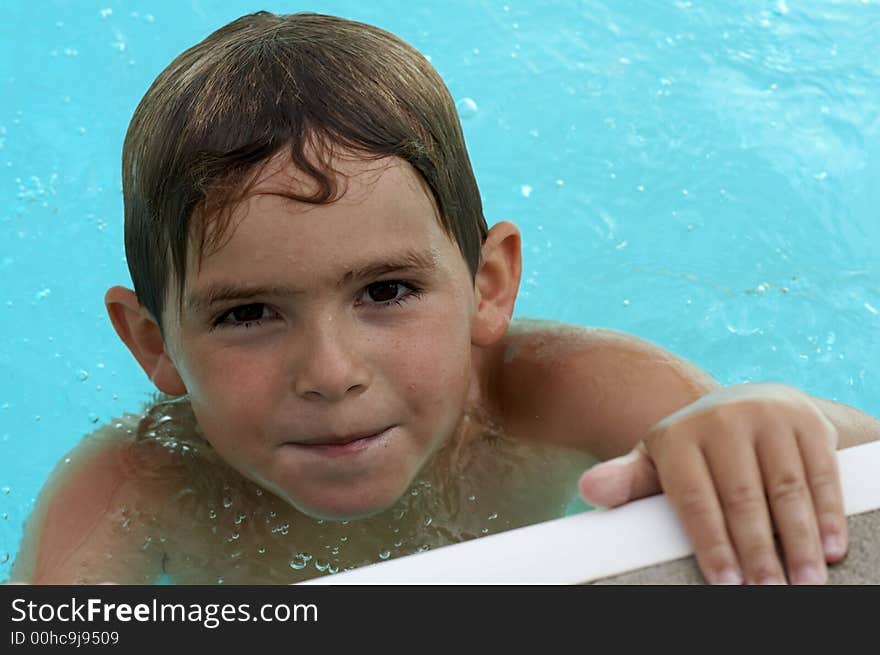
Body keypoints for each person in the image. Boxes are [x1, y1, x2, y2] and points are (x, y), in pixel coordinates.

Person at [11, 11, 879, 585]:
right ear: (153, 341)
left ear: (487, 285)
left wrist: (770, 414)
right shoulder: (129, 490)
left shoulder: (557, 392)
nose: (330, 371)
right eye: (248, 314)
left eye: (386, 290)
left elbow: (818, 460)